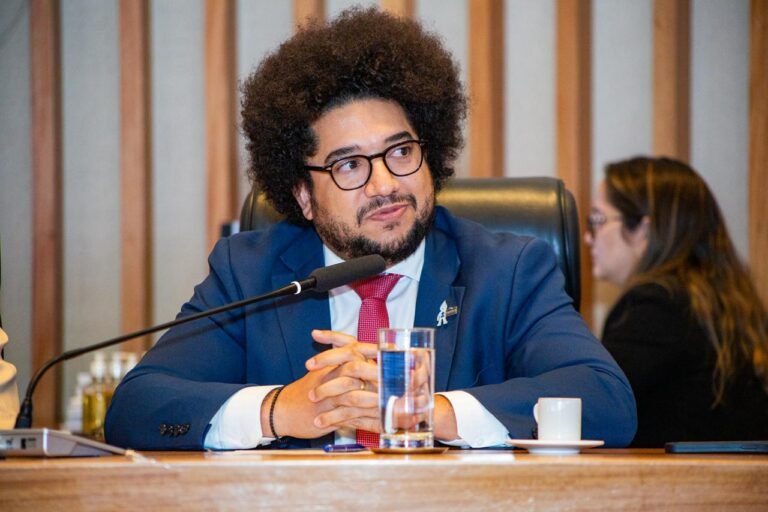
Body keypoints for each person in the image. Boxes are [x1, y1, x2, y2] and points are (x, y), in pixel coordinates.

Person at [105, 7, 636, 450]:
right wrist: (281, 409)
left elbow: (607, 402)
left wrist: (427, 410)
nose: (385, 184)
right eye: (349, 165)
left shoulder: (506, 270)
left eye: (400, 152)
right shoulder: (248, 273)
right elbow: (136, 408)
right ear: (303, 195)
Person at [586, 156, 768, 447]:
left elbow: (592, 404)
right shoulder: (714, 300)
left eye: (597, 220)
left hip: (686, 476)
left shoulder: (656, 308)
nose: (587, 237)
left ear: (644, 230)